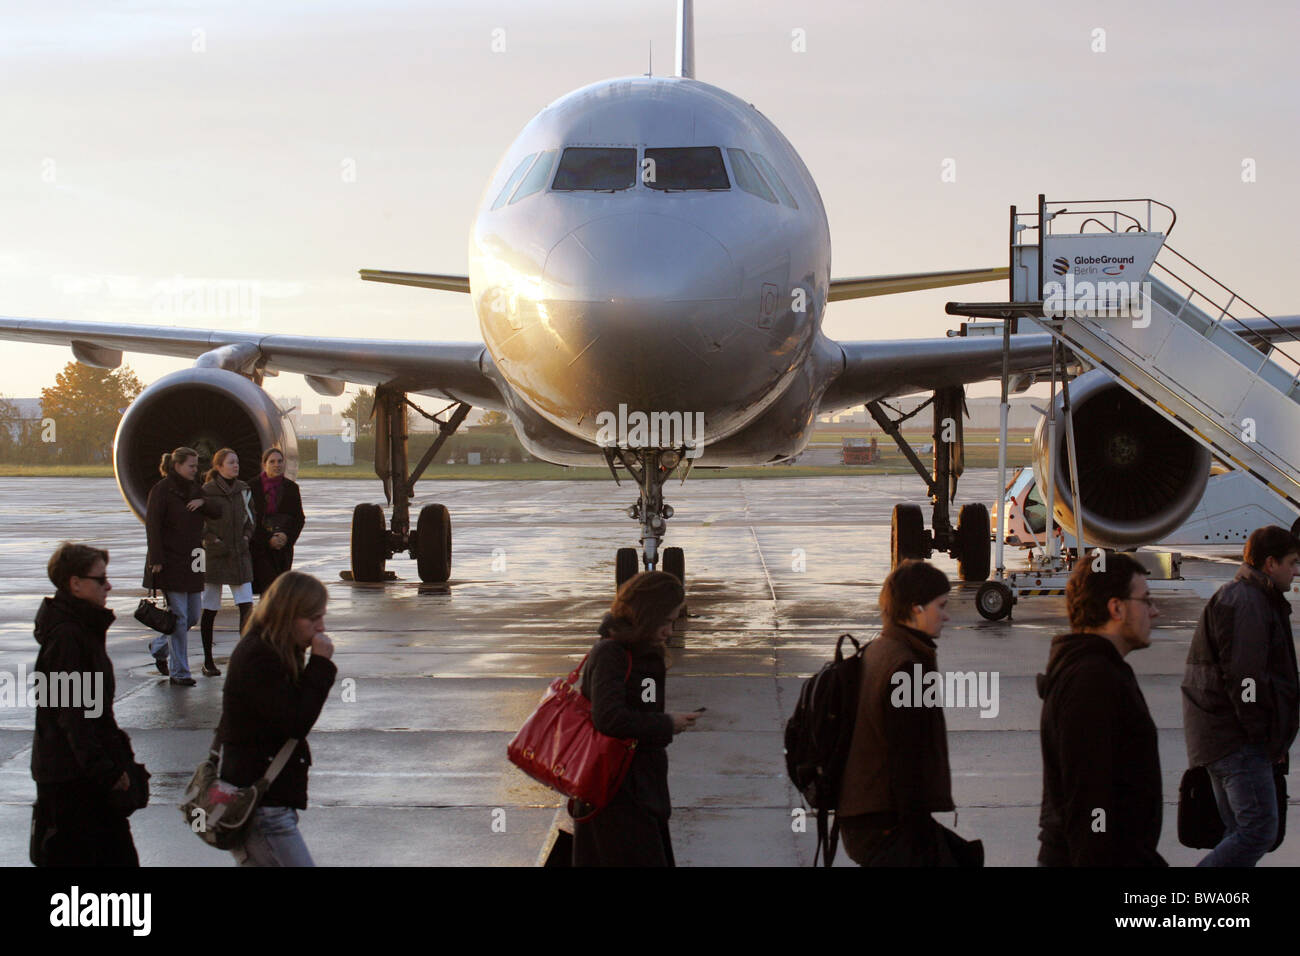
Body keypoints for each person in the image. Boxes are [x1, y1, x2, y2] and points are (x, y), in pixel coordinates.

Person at [838, 559, 972, 866]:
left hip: (863, 819)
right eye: (941, 605)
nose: (947, 615)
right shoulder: (909, 668)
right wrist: (919, 838)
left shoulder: (879, 649)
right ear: (917, 609)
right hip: (886, 823)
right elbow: (907, 757)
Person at [1037, 552, 1165, 866]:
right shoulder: (1093, 681)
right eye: (1145, 600)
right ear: (1116, 607)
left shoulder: (1095, 671)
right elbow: (1089, 799)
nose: (1155, 611)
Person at [1183, 525, 1300, 867]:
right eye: (1292, 562)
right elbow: (1246, 681)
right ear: (1270, 564)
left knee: (1238, 831)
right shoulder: (1248, 603)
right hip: (1237, 743)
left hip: (1223, 738)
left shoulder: (1250, 598)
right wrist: (1263, 740)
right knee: (1258, 830)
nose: (1296, 571)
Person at [572, 571, 698, 866]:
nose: (670, 630)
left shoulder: (645, 655)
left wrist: (664, 722)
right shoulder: (611, 653)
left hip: (640, 789)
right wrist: (667, 724)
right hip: (616, 791)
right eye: (666, 621)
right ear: (647, 615)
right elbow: (609, 718)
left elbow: (646, 709)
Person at [31, 543, 141, 866]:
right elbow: (73, 717)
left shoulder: (79, 631)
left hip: (77, 776)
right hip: (73, 783)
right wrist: (107, 772)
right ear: (75, 584)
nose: (108, 586)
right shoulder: (68, 638)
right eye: (100, 579)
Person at [216, 570, 336, 866]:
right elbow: (296, 721)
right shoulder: (260, 657)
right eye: (313, 619)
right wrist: (319, 666)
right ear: (288, 615)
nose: (321, 627)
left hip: (265, 798)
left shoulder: (273, 650)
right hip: (261, 805)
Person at [144, 446, 220, 686]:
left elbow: (217, 512)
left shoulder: (195, 490)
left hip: (195, 559)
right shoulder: (161, 491)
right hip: (170, 561)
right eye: (191, 466)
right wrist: (155, 560)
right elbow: (152, 526)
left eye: (197, 466)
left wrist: (203, 502)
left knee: (192, 616)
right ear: (177, 466)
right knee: (178, 616)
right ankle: (180, 672)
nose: (195, 470)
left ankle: (158, 646)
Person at [198, 448, 255, 677]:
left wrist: (246, 537)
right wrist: (211, 540)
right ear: (219, 466)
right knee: (210, 608)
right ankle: (207, 660)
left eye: (237, 462)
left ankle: (244, 657)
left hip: (239, 554)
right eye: (231, 462)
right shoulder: (207, 492)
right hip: (215, 556)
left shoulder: (244, 490)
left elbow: (251, 519)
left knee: (246, 606)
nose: (236, 466)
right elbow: (199, 523)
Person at [248, 447, 305, 595]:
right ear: (264, 464)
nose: (276, 465)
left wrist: (287, 537)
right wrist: (268, 539)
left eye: (280, 461)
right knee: (267, 589)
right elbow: (249, 519)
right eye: (272, 461)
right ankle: (268, 617)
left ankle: (276, 617)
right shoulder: (252, 487)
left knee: (281, 589)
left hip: (283, 547)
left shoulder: (292, 488)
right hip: (260, 547)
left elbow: (299, 518)